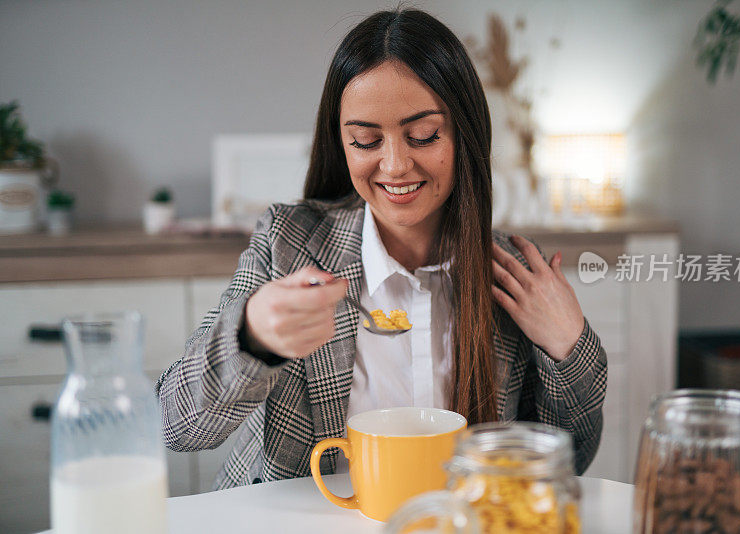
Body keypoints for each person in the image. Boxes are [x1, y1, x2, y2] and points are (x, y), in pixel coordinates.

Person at [157, 8, 607, 490]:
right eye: (366, 140)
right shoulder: (286, 243)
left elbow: (568, 460)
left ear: (464, 135)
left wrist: (568, 344)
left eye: (423, 136)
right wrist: (253, 337)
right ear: (342, 143)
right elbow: (177, 426)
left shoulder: (511, 274)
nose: (394, 166)